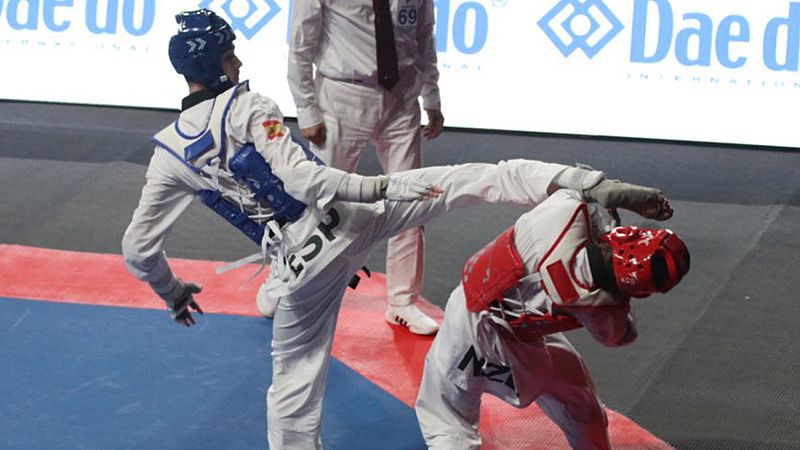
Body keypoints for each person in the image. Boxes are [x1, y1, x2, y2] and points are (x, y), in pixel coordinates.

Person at [122, 9, 676, 449]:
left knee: (292, 385)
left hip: (298, 267)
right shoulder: (249, 106)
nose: (237, 59)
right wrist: (382, 187)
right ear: (220, 63)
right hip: (354, 216)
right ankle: (587, 183)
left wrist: (173, 293)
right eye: (230, 51)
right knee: (473, 179)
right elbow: (305, 179)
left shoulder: (167, 155)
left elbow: (138, 249)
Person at [415, 186, 691, 449]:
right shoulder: (601, 308)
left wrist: (622, 194)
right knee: (578, 402)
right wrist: (622, 298)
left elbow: (575, 184)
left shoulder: (564, 215)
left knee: (447, 417)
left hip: (479, 313)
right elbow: (621, 336)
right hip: (486, 334)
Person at [286, 0, 444, 335]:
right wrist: (306, 109)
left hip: (402, 99)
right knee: (321, 199)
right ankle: (294, 283)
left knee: (412, 201)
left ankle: (402, 302)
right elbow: (301, 41)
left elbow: (424, 36)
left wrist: (432, 98)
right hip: (342, 96)